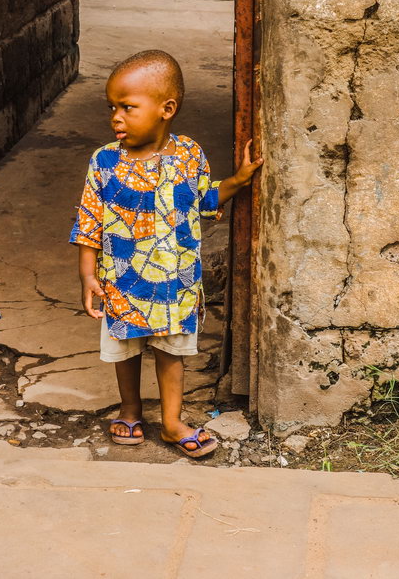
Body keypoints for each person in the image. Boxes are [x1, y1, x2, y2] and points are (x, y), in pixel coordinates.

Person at [69, 50, 263, 457]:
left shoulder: (189, 154)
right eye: (112, 108)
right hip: (121, 281)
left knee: (171, 351)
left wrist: (239, 181)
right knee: (125, 348)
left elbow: (205, 198)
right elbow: (89, 221)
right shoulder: (104, 162)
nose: (115, 117)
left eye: (127, 107)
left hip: (175, 282)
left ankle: (173, 423)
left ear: (166, 109)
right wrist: (89, 277)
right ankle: (130, 408)